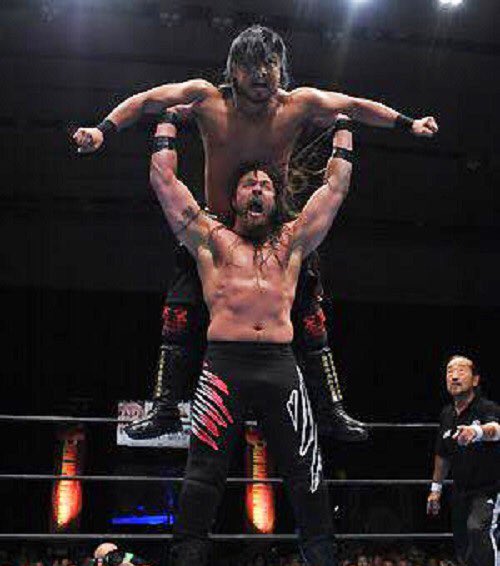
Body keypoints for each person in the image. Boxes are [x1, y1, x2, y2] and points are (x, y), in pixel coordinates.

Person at [73, 25, 438, 444]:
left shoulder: (298, 104)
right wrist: (102, 130)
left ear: (282, 68)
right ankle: (166, 407)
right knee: (179, 314)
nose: (262, 74)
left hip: (276, 229)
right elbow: (146, 100)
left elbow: (353, 105)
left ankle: (330, 410)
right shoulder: (207, 98)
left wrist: (409, 123)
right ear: (234, 69)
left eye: (270, 64)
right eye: (251, 66)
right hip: (214, 229)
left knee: (310, 317)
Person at [126, 112, 388, 566]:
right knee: (198, 493)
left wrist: (343, 128)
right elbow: (163, 181)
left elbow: (335, 188)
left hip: (281, 371)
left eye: (266, 184)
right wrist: (168, 123)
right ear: (233, 195)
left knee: (311, 492)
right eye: (249, 183)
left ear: (276, 197)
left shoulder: (293, 243)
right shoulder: (210, 240)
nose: (258, 190)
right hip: (222, 370)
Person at [427, 355, 500, 566]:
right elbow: (442, 455)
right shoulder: (447, 415)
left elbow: (497, 429)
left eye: (461, 370)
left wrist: (476, 432)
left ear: (475, 379)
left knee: (479, 531)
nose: (454, 376)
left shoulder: (486, 408)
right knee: (465, 543)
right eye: (449, 371)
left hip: (490, 488)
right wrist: (435, 489)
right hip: (461, 490)